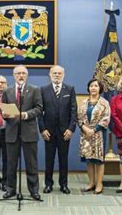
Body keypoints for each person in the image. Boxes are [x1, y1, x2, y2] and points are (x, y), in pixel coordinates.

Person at [1, 65, 43, 201]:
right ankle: (11, 189)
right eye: (18, 73)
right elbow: (3, 111)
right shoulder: (7, 91)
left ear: (27, 75)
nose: (20, 76)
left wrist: (25, 114)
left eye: (23, 73)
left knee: (31, 164)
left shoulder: (35, 89)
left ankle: (34, 191)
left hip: (29, 132)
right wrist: (5, 114)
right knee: (11, 164)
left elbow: (39, 108)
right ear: (13, 75)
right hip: (12, 132)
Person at [39, 65, 77, 194]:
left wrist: (71, 129)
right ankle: (48, 184)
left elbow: (74, 112)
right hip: (48, 132)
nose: (56, 75)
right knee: (49, 159)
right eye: (54, 73)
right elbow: (39, 112)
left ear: (63, 75)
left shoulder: (70, 89)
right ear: (50, 74)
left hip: (64, 132)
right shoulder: (43, 90)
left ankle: (64, 185)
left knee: (63, 159)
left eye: (59, 73)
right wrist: (42, 129)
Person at [77, 78, 110, 195]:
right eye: (91, 86)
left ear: (100, 88)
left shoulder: (104, 102)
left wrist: (95, 129)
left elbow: (106, 118)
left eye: (96, 86)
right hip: (85, 134)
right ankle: (91, 182)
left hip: (99, 134)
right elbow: (79, 118)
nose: (93, 88)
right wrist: (85, 128)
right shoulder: (83, 102)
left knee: (98, 160)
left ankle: (99, 183)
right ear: (88, 88)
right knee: (89, 159)